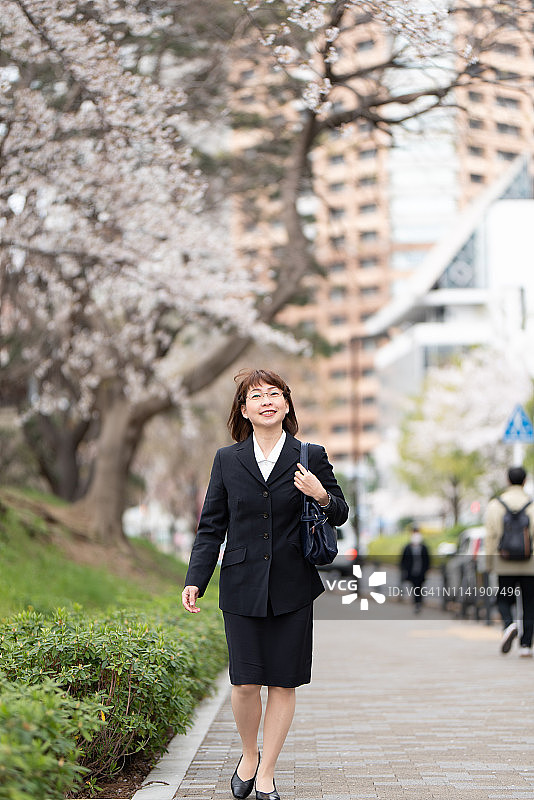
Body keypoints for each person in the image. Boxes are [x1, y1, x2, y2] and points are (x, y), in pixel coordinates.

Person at [182, 368, 349, 800]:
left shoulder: (310, 455)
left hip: (293, 585)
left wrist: (320, 494)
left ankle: (268, 771)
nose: (267, 401)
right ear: (244, 410)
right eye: (256, 396)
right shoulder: (227, 460)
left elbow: (341, 513)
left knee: (283, 682)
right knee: (244, 683)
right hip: (240, 584)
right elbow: (211, 526)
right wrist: (196, 580)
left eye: (275, 394)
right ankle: (248, 754)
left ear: (287, 406)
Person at [485, 466, 534, 657]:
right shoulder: (531, 504)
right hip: (530, 564)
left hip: (503, 562)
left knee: (503, 599)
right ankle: (526, 645)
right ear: (525, 481)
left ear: (507, 481)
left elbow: (491, 537)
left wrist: (489, 563)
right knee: (530, 604)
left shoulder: (495, 505)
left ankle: (508, 624)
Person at [400, 525, 430, 613]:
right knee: (414, 588)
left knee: (420, 588)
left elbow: (427, 560)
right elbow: (403, 560)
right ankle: (416, 603)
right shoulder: (407, 548)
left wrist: (426, 569)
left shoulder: (423, 547)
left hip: (421, 572)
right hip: (412, 572)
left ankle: (418, 603)